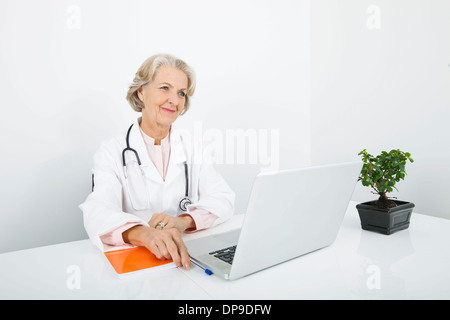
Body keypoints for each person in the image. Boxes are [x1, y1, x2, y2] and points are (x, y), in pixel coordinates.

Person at [80, 53, 235, 269]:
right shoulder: (111, 151)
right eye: (165, 88)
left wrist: (183, 221)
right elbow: (97, 210)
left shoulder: (192, 146)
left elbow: (224, 198)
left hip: (188, 259)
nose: (174, 100)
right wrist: (144, 234)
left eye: (181, 93)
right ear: (141, 91)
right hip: (138, 262)